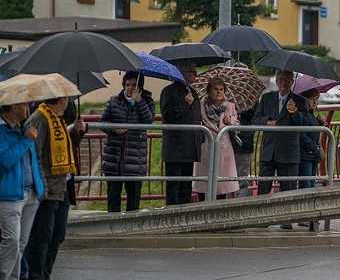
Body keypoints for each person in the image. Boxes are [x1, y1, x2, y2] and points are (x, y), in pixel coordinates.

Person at [25, 96, 87, 280]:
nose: (68, 101)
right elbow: (36, 153)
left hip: (63, 185)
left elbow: (66, 148)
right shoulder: (40, 118)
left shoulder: (58, 118)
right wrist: (41, 183)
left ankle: (45, 279)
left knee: (57, 234)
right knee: (42, 235)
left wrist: (77, 133)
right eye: (66, 97)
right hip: (49, 186)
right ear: (60, 99)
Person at [0, 101, 42, 280]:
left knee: (21, 242)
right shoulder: (2, 131)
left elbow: (32, 160)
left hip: (30, 193)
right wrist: (25, 141)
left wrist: (39, 186)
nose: (28, 108)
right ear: (14, 107)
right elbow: (5, 160)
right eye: (25, 105)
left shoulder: (23, 129)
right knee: (11, 240)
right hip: (10, 194)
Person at [100, 72, 156, 212]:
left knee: (134, 196)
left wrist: (139, 102)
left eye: (133, 85)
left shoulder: (147, 101)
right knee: (113, 195)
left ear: (140, 87)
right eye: (127, 85)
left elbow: (149, 120)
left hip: (135, 156)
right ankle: (112, 224)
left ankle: (132, 228)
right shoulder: (114, 101)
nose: (130, 88)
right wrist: (114, 129)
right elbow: (102, 122)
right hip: (114, 156)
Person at [253, 69, 307, 195]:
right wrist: (267, 122)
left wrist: (294, 112)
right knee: (263, 191)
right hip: (268, 152)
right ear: (276, 81)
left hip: (288, 153)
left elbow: (304, 124)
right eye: (281, 79)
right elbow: (255, 120)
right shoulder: (267, 98)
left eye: (287, 80)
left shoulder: (300, 101)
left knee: (288, 192)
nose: (283, 82)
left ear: (292, 82)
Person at [160, 60, 202, 205]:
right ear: (183, 73)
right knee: (174, 185)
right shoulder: (168, 91)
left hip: (190, 147)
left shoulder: (193, 92)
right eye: (192, 71)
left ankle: (185, 213)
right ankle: (171, 215)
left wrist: (200, 138)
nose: (196, 75)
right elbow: (167, 115)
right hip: (175, 147)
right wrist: (184, 104)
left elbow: (197, 117)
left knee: (186, 185)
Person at [192, 77, 239, 201]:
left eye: (221, 89)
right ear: (208, 92)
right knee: (204, 186)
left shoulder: (230, 106)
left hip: (224, 151)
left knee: (221, 187)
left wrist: (231, 121)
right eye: (215, 89)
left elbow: (238, 128)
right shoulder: (200, 105)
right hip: (206, 150)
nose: (219, 92)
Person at [297, 88, 326, 189]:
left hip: (312, 153)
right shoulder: (302, 114)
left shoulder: (311, 114)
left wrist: (319, 123)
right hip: (306, 154)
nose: (315, 102)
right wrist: (313, 146)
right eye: (311, 99)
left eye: (316, 99)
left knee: (311, 184)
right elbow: (301, 133)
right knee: (306, 184)